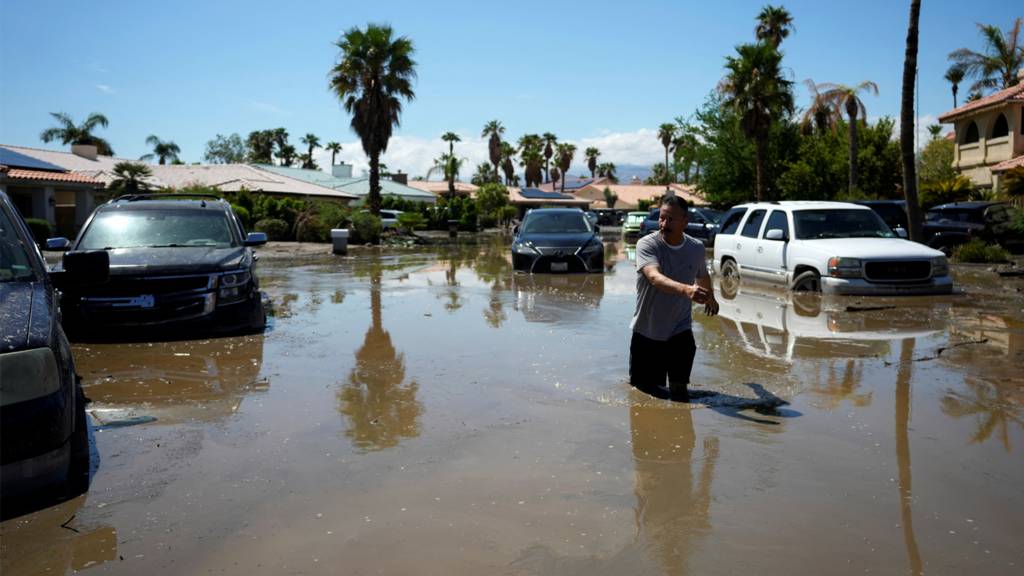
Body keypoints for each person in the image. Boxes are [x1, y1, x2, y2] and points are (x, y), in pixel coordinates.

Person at [630, 195, 718, 401]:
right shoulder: (647, 245)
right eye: (662, 218)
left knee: (680, 393)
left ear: (685, 222)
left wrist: (711, 297)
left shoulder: (695, 248)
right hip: (647, 332)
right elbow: (654, 277)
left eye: (671, 219)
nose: (664, 224)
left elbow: (702, 275)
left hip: (680, 329)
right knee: (644, 396)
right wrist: (687, 290)